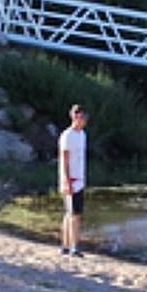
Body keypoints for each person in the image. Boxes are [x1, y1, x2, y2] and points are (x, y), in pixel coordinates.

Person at [58, 104, 88, 258]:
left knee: (71, 213)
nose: (84, 120)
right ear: (74, 117)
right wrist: (66, 180)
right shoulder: (67, 135)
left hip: (80, 179)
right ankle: (74, 246)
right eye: (81, 117)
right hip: (71, 180)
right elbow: (64, 159)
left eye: (85, 117)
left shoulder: (82, 134)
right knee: (74, 214)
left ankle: (66, 245)